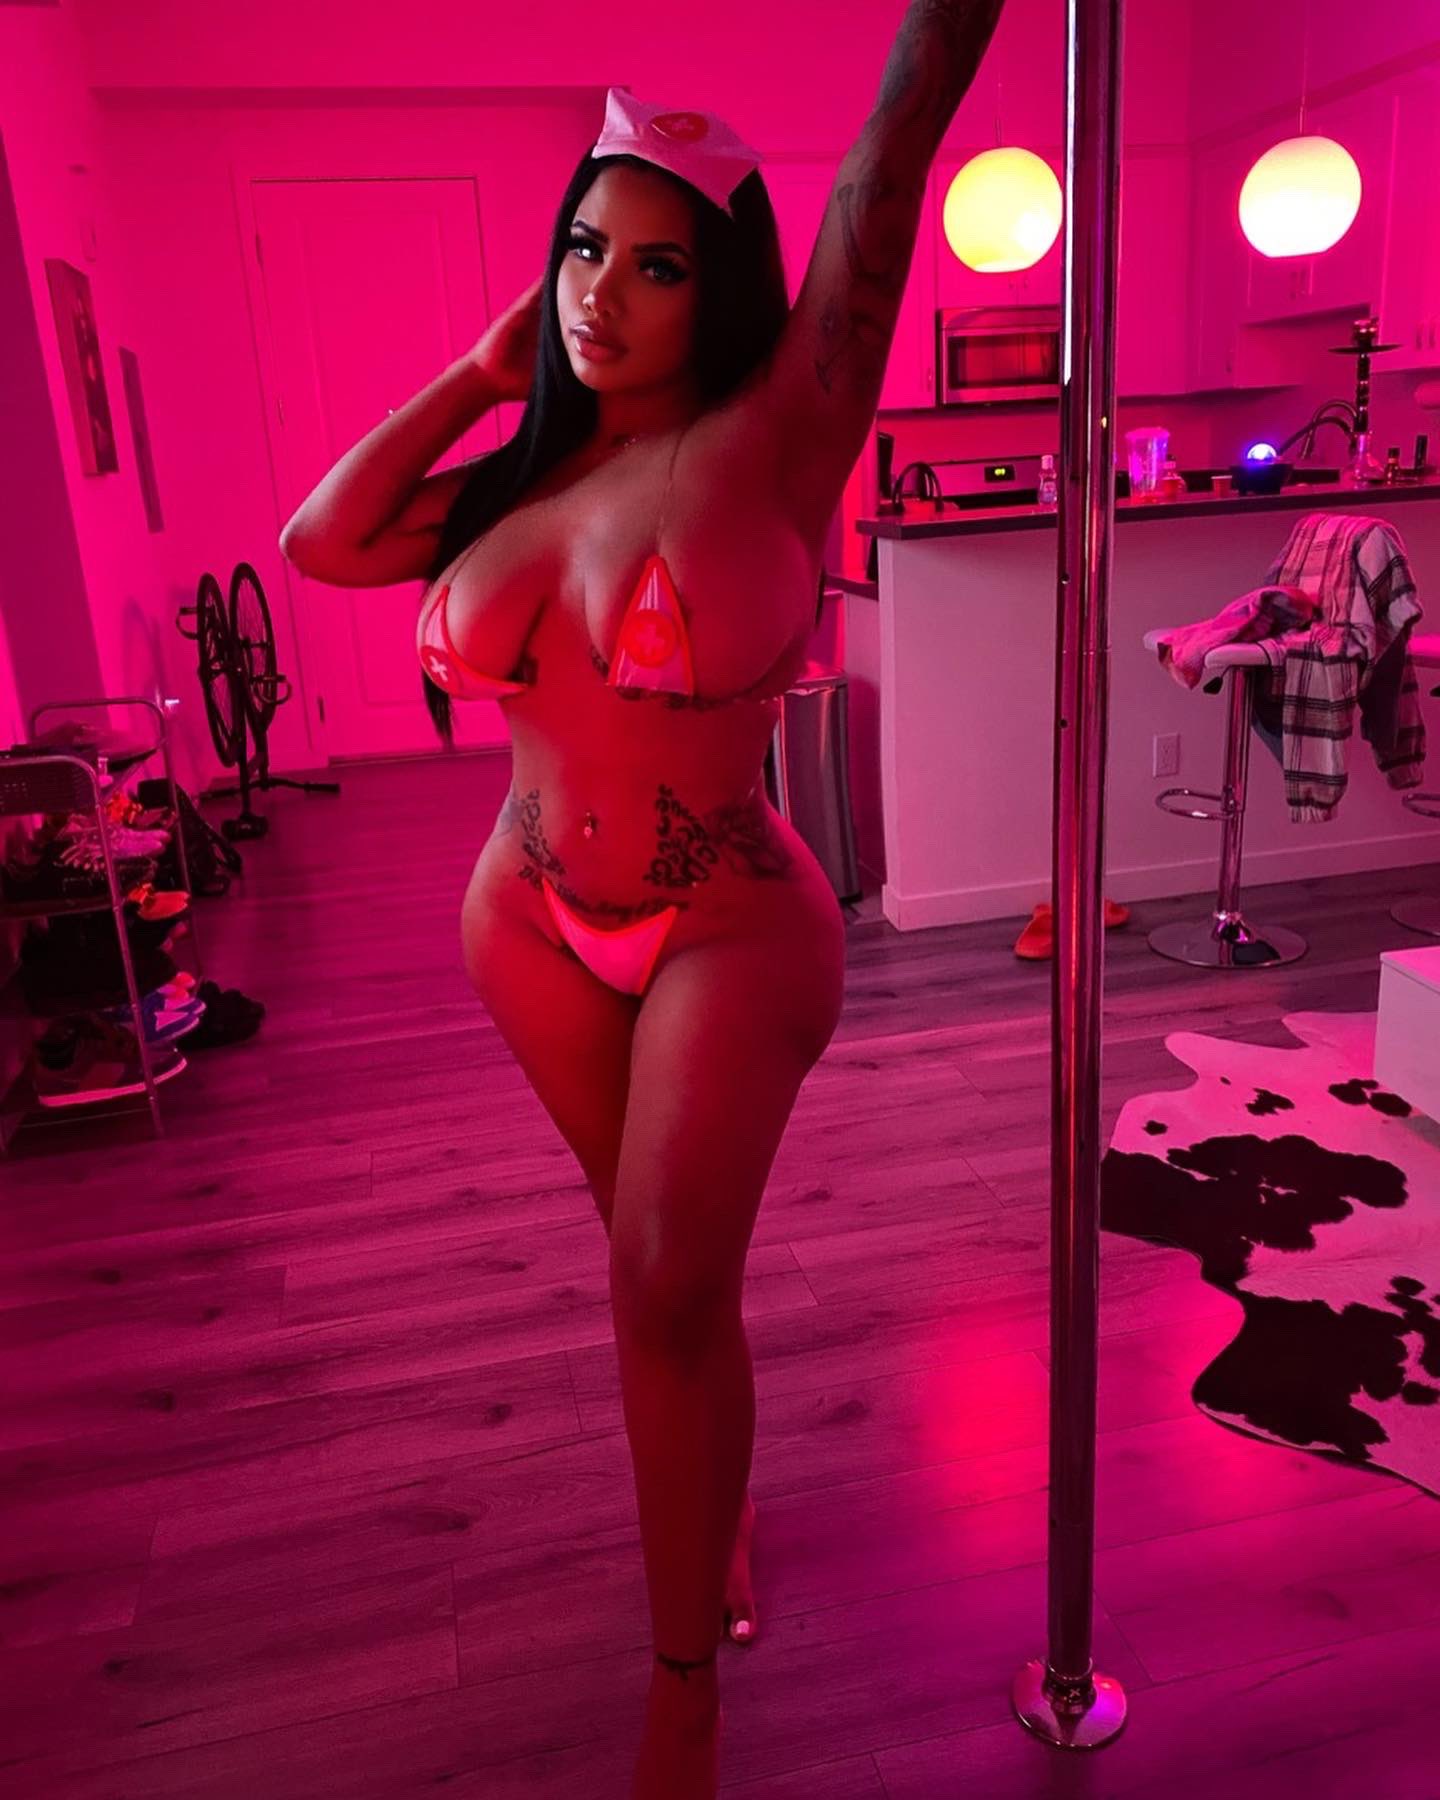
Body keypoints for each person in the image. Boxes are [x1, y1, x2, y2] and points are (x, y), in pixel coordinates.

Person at [280, 6, 1006, 1792]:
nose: (603, 293)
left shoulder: (782, 429)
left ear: (722, 290)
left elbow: (894, 150)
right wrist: (479, 373)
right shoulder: (523, 474)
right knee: (657, 1276)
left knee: (667, 1281)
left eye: (656, 266)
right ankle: (714, 1499)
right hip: (523, 919)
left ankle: (684, 1691)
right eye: (585, 250)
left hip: (728, 926)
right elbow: (322, 541)